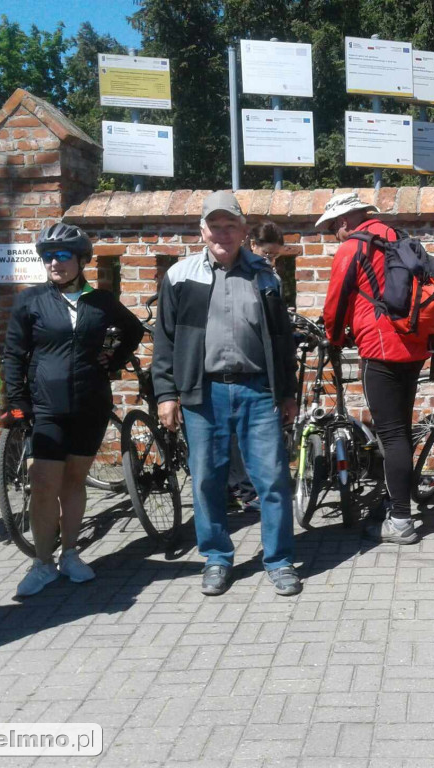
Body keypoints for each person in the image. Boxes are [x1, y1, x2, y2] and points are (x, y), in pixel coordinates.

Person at [152, 191, 301, 597]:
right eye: (214, 226)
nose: (222, 233)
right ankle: (217, 557)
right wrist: (167, 394)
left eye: (230, 225)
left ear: (243, 230)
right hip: (204, 393)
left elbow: (281, 340)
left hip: (258, 391)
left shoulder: (265, 276)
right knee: (207, 480)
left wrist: (288, 392)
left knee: (271, 479)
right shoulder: (181, 277)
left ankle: (280, 560)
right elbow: (164, 341)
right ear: (202, 231)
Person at [2, 223, 144, 597]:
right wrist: (17, 402)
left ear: (82, 260)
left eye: (62, 256)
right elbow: (13, 354)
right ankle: (42, 563)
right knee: (45, 484)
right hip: (45, 407)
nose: (54, 263)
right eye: (47, 256)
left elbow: (133, 330)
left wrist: (112, 361)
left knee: (74, 481)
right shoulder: (31, 301)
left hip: (90, 404)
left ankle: (70, 554)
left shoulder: (100, 302)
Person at [320, 193, 434, 545]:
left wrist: (334, 340)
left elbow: (334, 304)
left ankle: (401, 521)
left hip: (381, 348)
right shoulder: (398, 238)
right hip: (414, 346)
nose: (333, 235)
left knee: (391, 434)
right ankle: (396, 499)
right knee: (400, 429)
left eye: (331, 228)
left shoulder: (353, 247)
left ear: (344, 221)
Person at [227, 220, 287, 510]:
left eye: (275, 256)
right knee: (236, 435)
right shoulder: (244, 275)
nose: (270, 261)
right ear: (252, 246)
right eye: (266, 254)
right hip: (239, 365)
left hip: (263, 368)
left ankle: (249, 487)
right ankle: (243, 489)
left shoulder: (271, 277)